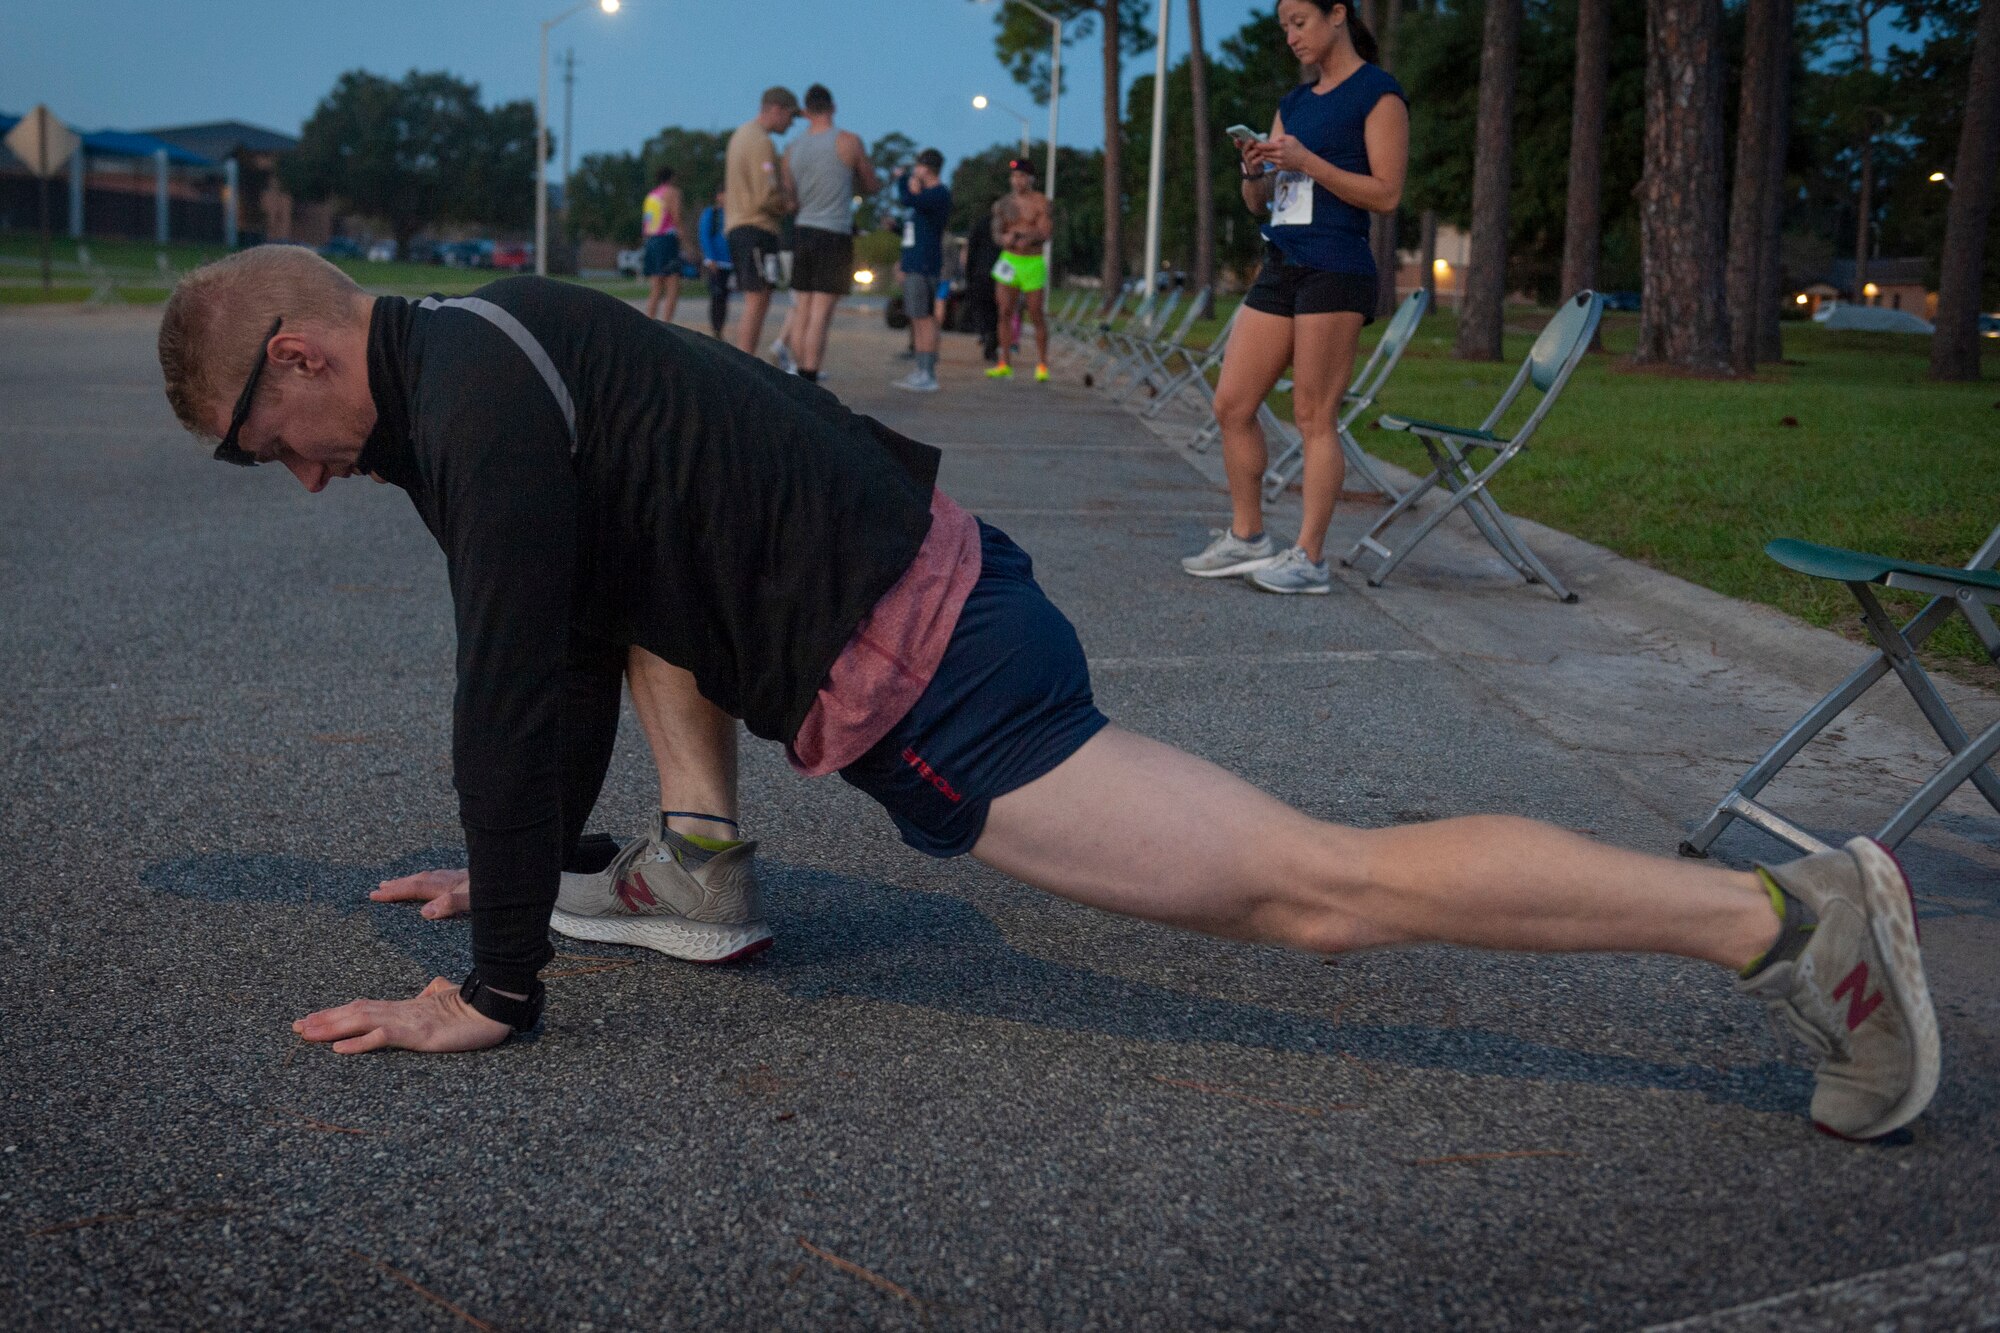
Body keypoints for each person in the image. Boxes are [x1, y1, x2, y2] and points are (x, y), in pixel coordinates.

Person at [154, 246, 1941, 1147]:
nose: (299, 479)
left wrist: (494, 983)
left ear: (301, 354)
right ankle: (696, 863)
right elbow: (564, 638)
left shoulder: (465, 415)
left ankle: (1787, 920)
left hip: (940, 674)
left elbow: (504, 685)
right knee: (632, 605)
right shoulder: (478, 339)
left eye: (267, 448)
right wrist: (528, 861)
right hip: (923, 574)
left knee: (1316, 890)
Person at [1183, 0, 1404, 596]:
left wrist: (1309, 160)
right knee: (1231, 404)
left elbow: (1386, 194)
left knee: (1313, 416)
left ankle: (1309, 557)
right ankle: (1248, 536)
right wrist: (1255, 171)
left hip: (1336, 266)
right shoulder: (1295, 104)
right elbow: (1264, 202)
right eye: (1284, 26)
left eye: (1299, 22)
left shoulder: (1378, 94)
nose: (1290, 36)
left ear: (1338, 14)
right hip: (1281, 263)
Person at [783, 84, 881, 385]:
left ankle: (798, 377)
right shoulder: (848, 141)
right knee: (820, 312)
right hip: (834, 232)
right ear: (833, 107)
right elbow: (870, 183)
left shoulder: (791, 150)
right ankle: (810, 378)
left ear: (805, 111)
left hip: (802, 231)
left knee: (802, 308)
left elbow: (790, 198)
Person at [725, 86, 799, 358]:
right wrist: (790, 205)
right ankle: (743, 364)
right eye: (790, 116)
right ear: (776, 109)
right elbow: (765, 196)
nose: (791, 124)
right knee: (757, 298)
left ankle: (743, 361)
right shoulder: (760, 141)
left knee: (759, 297)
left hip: (741, 226)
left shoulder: (741, 135)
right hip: (754, 228)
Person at [985, 159, 1055, 383]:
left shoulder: (1041, 203)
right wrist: (1006, 238)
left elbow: (1045, 232)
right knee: (1004, 310)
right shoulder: (1003, 204)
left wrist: (1025, 237)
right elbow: (997, 233)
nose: (1018, 181)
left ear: (1031, 179)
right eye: (1015, 176)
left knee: (1035, 312)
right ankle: (1004, 361)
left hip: (1032, 261)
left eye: (1023, 176)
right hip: (1009, 260)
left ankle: (1042, 363)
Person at [891, 149, 951, 393]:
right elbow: (914, 228)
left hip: (924, 265)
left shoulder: (938, 194)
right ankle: (921, 369)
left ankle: (927, 372)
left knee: (923, 319)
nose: (915, 169)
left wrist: (902, 180)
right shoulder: (929, 196)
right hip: (916, 262)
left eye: (918, 166)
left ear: (927, 168)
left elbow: (908, 199)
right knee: (917, 319)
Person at [639, 166, 685, 325]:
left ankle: (649, 323)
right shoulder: (672, 192)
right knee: (673, 285)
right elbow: (677, 217)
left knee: (656, 287)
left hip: (651, 241)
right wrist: (686, 243)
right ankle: (667, 324)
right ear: (671, 177)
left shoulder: (651, 195)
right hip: (666, 240)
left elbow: (646, 222)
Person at [697, 187, 733, 340]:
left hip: (730, 263)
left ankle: (720, 327)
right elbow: (704, 236)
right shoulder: (711, 214)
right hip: (715, 263)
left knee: (725, 297)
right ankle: (716, 328)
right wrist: (710, 258)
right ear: (718, 196)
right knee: (716, 296)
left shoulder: (734, 215)